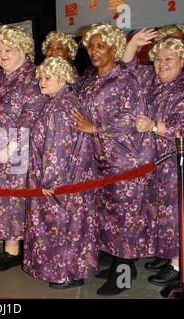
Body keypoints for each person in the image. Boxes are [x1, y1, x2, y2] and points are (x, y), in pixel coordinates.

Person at [74, 22, 154, 295]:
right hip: (101, 160)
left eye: (101, 45)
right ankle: (122, 266)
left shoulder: (125, 79)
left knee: (125, 219)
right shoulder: (92, 79)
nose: (94, 51)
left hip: (125, 161)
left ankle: (123, 277)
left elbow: (131, 120)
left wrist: (95, 128)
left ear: (113, 48)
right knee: (111, 218)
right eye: (91, 46)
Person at [124, 32, 184, 285]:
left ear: (183, 61)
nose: (161, 63)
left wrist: (154, 126)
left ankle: (179, 264)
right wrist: (133, 44)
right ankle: (169, 254)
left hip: (179, 162)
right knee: (161, 211)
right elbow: (127, 69)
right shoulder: (157, 82)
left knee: (177, 210)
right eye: (157, 58)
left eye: (169, 58)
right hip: (159, 160)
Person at [24, 56, 99, 289]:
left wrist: (49, 181)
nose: (41, 82)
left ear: (62, 78)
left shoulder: (59, 106)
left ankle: (63, 273)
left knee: (61, 227)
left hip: (62, 181)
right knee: (76, 227)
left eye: (47, 77)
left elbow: (57, 148)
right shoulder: (69, 100)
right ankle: (74, 272)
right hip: (76, 178)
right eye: (40, 77)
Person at [0, 26, 45, 272]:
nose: (2, 54)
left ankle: (17, 250)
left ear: (23, 50)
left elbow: (32, 114)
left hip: (19, 148)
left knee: (16, 200)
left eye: (8, 50)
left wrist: (14, 145)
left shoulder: (31, 77)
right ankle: (11, 248)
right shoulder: (0, 77)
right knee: (4, 200)